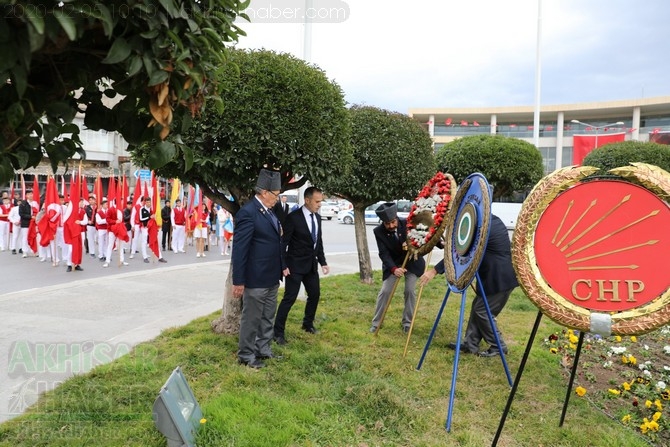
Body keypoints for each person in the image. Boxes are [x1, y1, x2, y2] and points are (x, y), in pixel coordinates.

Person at [418, 214, 519, 357]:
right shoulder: (487, 219)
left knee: (483, 312)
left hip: (500, 278)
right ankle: (470, 344)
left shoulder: (485, 226)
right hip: (493, 277)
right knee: (478, 307)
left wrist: (434, 271)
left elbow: (462, 253)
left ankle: (498, 346)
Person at [232, 168, 284, 369]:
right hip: (255, 277)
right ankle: (246, 355)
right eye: (275, 195)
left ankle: (263, 350)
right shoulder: (248, 213)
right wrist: (239, 281)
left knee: (267, 317)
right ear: (264, 192)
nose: (277, 199)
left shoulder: (269, 211)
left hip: (271, 276)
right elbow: (240, 250)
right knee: (251, 318)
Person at [273, 187, 329, 345]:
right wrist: (283, 265)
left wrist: (323, 262)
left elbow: (318, 242)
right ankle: (277, 333)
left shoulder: (317, 218)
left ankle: (307, 324)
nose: (319, 204)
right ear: (307, 200)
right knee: (289, 299)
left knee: (315, 295)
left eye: (321, 201)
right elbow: (284, 243)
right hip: (294, 266)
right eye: (317, 201)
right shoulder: (293, 218)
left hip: (311, 266)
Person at [370, 202, 425, 334]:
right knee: (385, 292)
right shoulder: (378, 232)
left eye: (393, 222)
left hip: (411, 262)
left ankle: (407, 323)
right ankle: (377, 323)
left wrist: (440, 244)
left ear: (396, 217)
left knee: (409, 291)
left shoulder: (408, 223)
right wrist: (394, 269)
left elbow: (424, 237)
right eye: (387, 223)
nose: (391, 226)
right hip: (393, 265)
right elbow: (383, 253)